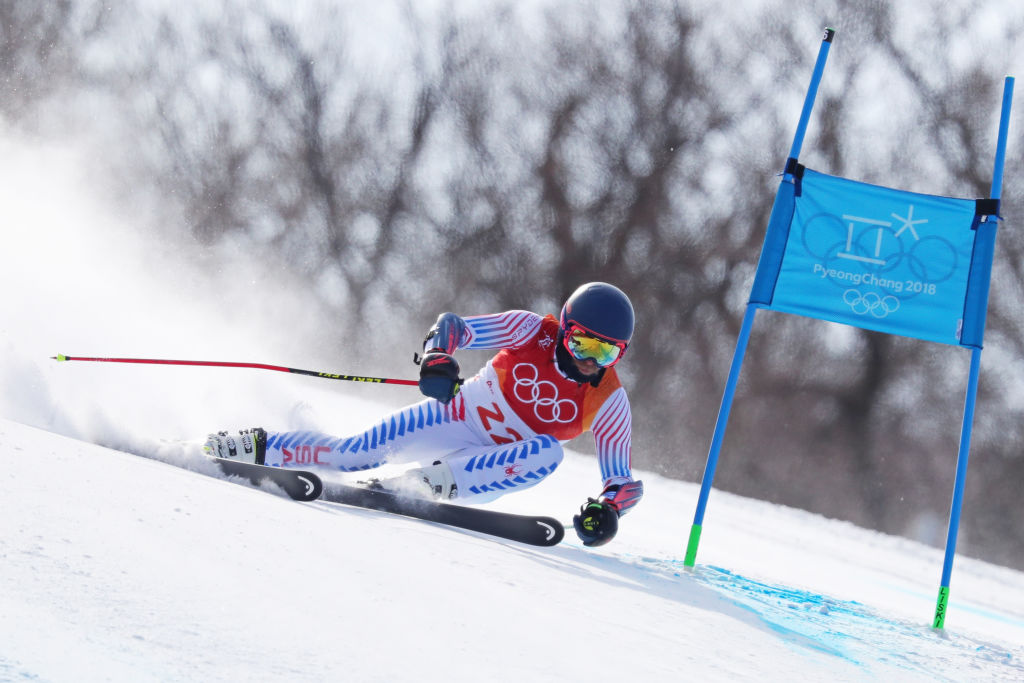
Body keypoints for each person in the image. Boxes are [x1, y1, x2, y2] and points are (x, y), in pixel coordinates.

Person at [205, 282, 644, 546]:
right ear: (565, 328)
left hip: (489, 468)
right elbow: (455, 327)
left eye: (606, 351)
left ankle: (417, 486)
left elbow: (623, 483)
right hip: (455, 414)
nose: (591, 359)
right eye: (583, 343)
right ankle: (253, 444)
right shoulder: (532, 330)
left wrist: (608, 511)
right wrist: (438, 359)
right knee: (351, 455)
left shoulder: (608, 400)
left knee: (549, 453)